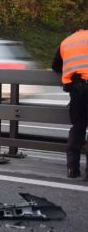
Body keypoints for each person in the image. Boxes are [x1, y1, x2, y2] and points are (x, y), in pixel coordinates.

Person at [52, 29, 88, 179]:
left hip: (76, 90)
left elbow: (55, 66)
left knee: (78, 127)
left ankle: (72, 169)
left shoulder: (66, 42)